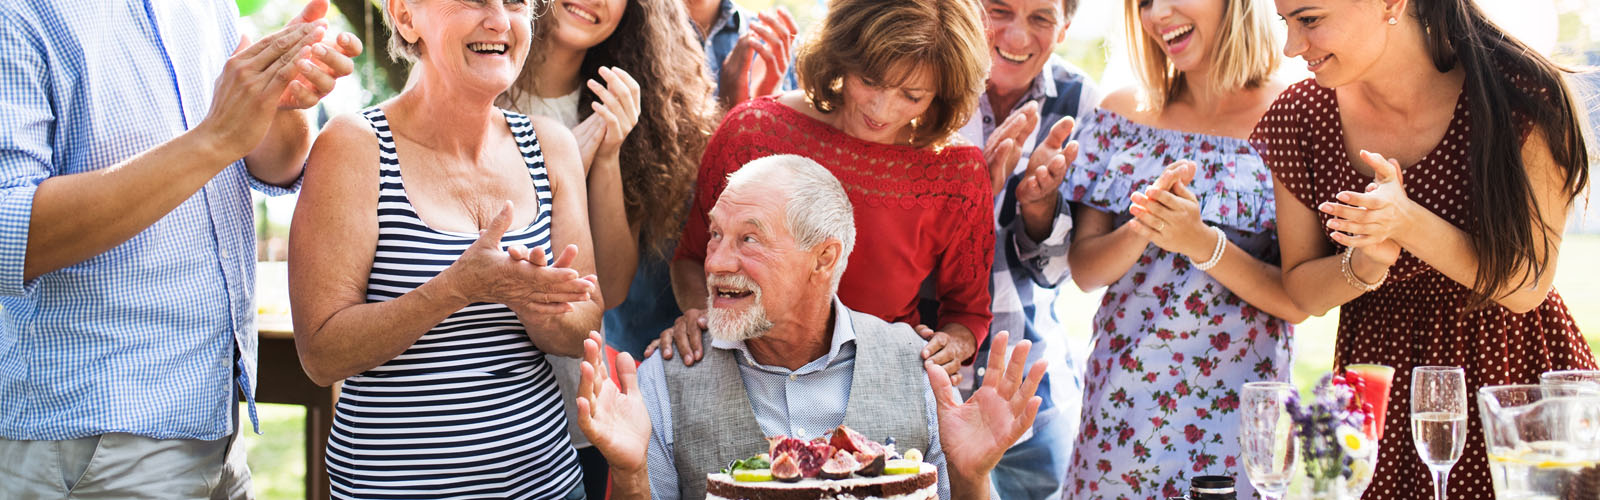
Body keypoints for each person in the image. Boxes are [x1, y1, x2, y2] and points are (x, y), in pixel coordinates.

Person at [0, 0, 360, 496]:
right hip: (96, 441)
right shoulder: (18, 12)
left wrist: (279, 96)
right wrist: (215, 137)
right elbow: (9, 234)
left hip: (218, 428)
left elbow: (271, 163)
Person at [1254, 0, 1599, 497]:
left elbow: (1527, 284)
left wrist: (1406, 221)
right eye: (1284, 23)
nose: (1291, 47)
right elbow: (1303, 290)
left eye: (1309, 20)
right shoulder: (1299, 116)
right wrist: (1365, 263)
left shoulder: (1519, 93)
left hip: (1511, 378)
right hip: (1379, 382)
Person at [570, 155, 1048, 500]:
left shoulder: (918, 365)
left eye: (749, 239)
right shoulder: (665, 375)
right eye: (715, 234)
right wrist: (629, 473)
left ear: (824, 257)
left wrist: (970, 477)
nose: (715, 262)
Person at [288, 0, 603, 497]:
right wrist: (455, 289)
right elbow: (321, 354)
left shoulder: (550, 146)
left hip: (545, 483)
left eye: (517, 3)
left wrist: (533, 304)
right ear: (406, 16)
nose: (500, 19)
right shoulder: (354, 145)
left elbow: (585, 326)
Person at [657, 0, 997, 385]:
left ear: (942, 93)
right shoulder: (752, 132)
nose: (881, 109)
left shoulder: (957, 172)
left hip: (878, 384)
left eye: (912, 95)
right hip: (744, 377)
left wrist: (951, 345)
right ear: (842, 54)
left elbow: (968, 314)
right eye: (869, 80)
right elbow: (689, 259)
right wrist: (703, 315)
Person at [1060, 0, 1305, 497]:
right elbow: (1085, 270)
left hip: (1238, 416)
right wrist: (1145, 225)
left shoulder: (1295, 116)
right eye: (1144, 2)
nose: (1158, 14)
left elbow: (1299, 299)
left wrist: (1199, 242)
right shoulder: (1120, 114)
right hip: (1121, 411)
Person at [502, 0, 718, 493]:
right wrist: (558, 168)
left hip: (571, 416)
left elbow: (611, 290)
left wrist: (606, 155)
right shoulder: (481, 77)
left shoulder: (628, 107)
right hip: (459, 402)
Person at [953, 0, 1098, 497]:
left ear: (1065, 28)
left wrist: (1038, 210)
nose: (1017, 37)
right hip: (929, 377)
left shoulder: (1079, 101)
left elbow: (1060, 273)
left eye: (1040, 17)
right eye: (1000, 10)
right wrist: (971, 197)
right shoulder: (929, 78)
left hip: (1030, 385)